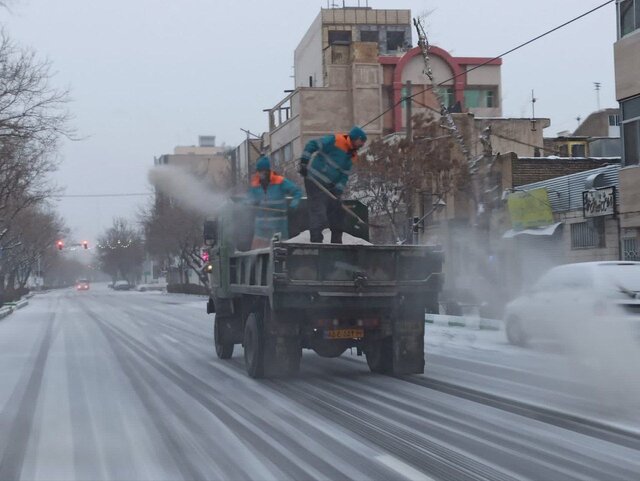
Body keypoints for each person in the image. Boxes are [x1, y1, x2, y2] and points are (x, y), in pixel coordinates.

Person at [298, 126, 367, 243]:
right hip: (314, 180)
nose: (362, 145)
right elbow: (312, 144)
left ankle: (336, 244)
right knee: (319, 213)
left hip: (329, 187)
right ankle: (316, 243)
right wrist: (304, 162)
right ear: (356, 138)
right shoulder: (335, 140)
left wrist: (338, 191)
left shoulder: (352, 156)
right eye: (362, 142)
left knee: (338, 212)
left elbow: (344, 176)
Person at [247, 156, 302, 249]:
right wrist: (250, 203)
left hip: (278, 228)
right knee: (256, 256)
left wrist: (293, 205)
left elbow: (297, 192)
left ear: (267, 171)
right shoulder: (255, 184)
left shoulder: (280, 181)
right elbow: (249, 199)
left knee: (280, 254)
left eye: (262, 171)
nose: (259, 174)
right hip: (261, 230)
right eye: (258, 171)